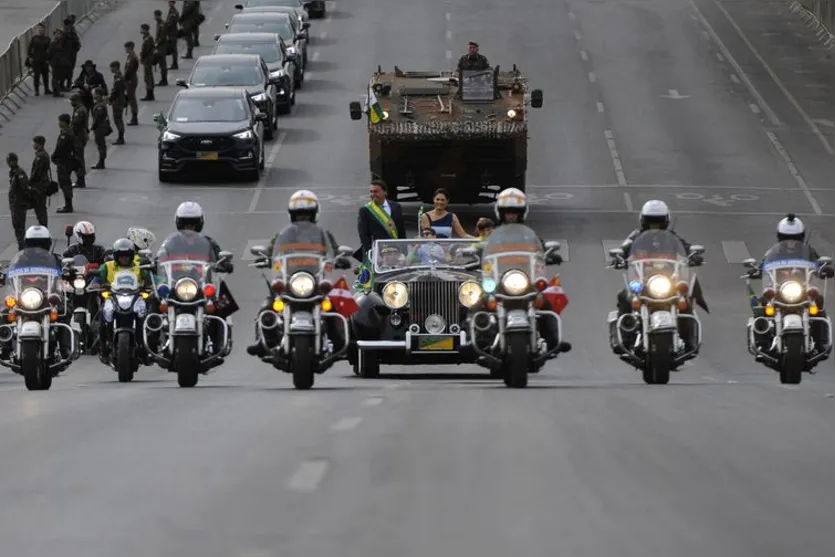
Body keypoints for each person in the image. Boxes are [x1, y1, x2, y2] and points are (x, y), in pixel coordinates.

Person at [248, 190, 346, 357]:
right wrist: (264, 258)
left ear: (314, 215)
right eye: (299, 214)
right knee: (268, 305)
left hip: (314, 281)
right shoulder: (284, 234)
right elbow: (272, 250)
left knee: (335, 306)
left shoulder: (323, 234)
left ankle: (341, 342)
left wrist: (340, 258)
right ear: (292, 215)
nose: (303, 218)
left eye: (306, 215)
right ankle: (262, 340)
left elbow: (334, 251)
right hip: (289, 280)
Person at [612, 200, 702, 352]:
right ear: (643, 220)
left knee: (684, 301)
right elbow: (624, 249)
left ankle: (689, 340)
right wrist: (619, 258)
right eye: (651, 221)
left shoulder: (673, 237)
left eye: (658, 221)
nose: (655, 225)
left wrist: (693, 256)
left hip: (669, 280)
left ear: (666, 221)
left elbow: (686, 249)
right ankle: (626, 338)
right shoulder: (635, 237)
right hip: (643, 281)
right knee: (624, 296)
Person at [492, 187, 571, 354]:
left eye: (514, 212)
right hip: (500, 281)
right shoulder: (493, 236)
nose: (511, 215)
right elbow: (481, 247)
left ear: (521, 213)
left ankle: (553, 341)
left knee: (544, 302)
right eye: (507, 212)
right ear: (501, 213)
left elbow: (541, 249)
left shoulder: (530, 236)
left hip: (525, 280)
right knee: (479, 302)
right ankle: (473, 337)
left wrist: (550, 255)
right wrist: (471, 253)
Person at [95, 238, 153, 360]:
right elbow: (98, 277)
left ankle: (146, 345)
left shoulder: (139, 266)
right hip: (113, 296)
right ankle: (104, 345)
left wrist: (149, 283)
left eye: (127, 256)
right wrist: (95, 279)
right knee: (104, 313)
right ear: (116, 256)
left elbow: (149, 279)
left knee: (146, 314)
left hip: (136, 297)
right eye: (121, 256)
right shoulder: (107, 266)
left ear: (132, 256)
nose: (124, 259)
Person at [356, 179, 407, 260]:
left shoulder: (396, 207)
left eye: (376, 191)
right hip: (379, 252)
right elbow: (364, 235)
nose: (373, 194)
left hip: (396, 250)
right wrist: (372, 253)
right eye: (371, 192)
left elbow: (401, 230)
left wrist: (404, 251)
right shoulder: (365, 210)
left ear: (385, 192)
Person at [7, 153, 35, 250]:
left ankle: (22, 245)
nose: (8, 163)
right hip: (15, 204)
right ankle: (21, 244)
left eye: (10, 161)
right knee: (16, 225)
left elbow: (25, 188)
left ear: (14, 161)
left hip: (19, 204)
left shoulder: (19, 173)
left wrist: (27, 201)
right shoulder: (13, 172)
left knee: (19, 225)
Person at [52, 113, 77, 213]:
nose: (58, 123)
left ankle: (68, 205)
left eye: (60, 121)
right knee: (65, 182)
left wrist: (54, 157)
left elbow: (60, 148)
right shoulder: (67, 132)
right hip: (67, 160)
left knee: (65, 183)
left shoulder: (65, 134)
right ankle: (68, 204)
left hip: (64, 161)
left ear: (64, 122)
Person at [28, 136, 51, 227]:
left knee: (40, 208)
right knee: (40, 207)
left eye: (35, 143)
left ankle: (43, 227)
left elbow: (36, 173)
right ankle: (43, 225)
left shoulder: (40, 156)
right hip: (42, 184)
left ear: (39, 144)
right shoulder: (42, 154)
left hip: (39, 186)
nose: (33, 145)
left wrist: (29, 182)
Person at [90, 88, 112, 169]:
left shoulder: (100, 106)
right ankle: (101, 161)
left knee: (101, 144)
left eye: (94, 93)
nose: (93, 95)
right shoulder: (99, 103)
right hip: (100, 127)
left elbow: (98, 119)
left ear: (98, 95)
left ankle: (101, 162)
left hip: (100, 128)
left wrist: (93, 127)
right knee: (100, 144)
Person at [69, 93, 88, 188]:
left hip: (78, 137)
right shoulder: (80, 109)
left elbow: (76, 125)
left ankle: (81, 180)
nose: (71, 103)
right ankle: (80, 179)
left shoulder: (80, 111)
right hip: (80, 136)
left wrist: (69, 133)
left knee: (78, 159)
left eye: (72, 101)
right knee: (78, 158)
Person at [27, 23, 51, 96]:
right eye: (39, 29)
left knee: (45, 75)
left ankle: (46, 89)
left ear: (44, 30)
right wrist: (30, 56)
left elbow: (49, 50)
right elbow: (29, 48)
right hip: (36, 59)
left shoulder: (47, 39)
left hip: (44, 59)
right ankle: (36, 90)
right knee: (37, 76)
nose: (41, 30)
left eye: (42, 29)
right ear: (38, 30)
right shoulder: (34, 38)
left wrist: (48, 59)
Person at [108, 61, 127, 145]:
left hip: (118, 101)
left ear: (116, 67)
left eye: (112, 67)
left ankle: (121, 138)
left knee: (118, 119)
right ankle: (120, 137)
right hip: (119, 100)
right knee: (118, 119)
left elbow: (116, 91)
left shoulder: (119, 78)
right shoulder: (117, 76)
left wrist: (110, 99)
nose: (111, 69)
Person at [48, 28, 70, 97]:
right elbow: (49, 53)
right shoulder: (53, 43)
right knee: (55, 78)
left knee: (58, 77)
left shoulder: (61, 41)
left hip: (61, 62)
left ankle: (57, 90)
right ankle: (56, 92)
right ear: (54, 35)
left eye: (59, 33)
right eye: (57, 33)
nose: (58, 35)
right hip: (55, 62)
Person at [62, 17, 81, 90]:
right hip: (64, 54)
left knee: (70, 69)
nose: (71, 26)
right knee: (64, 70)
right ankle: (62, 84)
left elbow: (77, 41)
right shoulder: (63, 33)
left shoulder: (73, 32)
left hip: (72, 54)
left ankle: (68, 84)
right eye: (70, 24)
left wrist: (77, 47)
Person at [123, 42, 140, 125]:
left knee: (132, 99)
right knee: (131, 98)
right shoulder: (130, 56)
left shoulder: (133, 57)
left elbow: (130, 70)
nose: (125, 49)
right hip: (130, 79)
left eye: (126, 47)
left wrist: (126, 78)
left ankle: (134, 118)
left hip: (131, 79)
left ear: (130, 47)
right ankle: (134, 117)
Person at [139, 23, 156, 101]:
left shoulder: (148, 39)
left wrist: (142, 57)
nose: (141, 30)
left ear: (145, 30)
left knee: (148, 77)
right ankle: (149, 94)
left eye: (142, 29)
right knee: (148, 77)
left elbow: (146, 50)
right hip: (147, 59)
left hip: (147, 60)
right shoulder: (146, 38)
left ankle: (150, 95)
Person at [153, 10, 169, 87]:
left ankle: (164, 80)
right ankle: (163, 79)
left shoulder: (162, 24)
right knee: (161, 64)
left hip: (162, 46)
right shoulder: (159, 23)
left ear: (158, 16)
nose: (154, 17)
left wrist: (156, 43)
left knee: (163, 64)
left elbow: (162, 36)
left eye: (155, 16)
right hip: (160, 46)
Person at [165, 0, 180, 70]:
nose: (169, 3)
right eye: (169, 2)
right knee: (173, 49)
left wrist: (165, 28)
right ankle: (174, 64)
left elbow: (171, 24)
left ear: (173, 3)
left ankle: (175, 64)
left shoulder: (174, 12)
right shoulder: (171, 11)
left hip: (173, 33)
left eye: (171, 2)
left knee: (174, 50)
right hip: (171, 33)